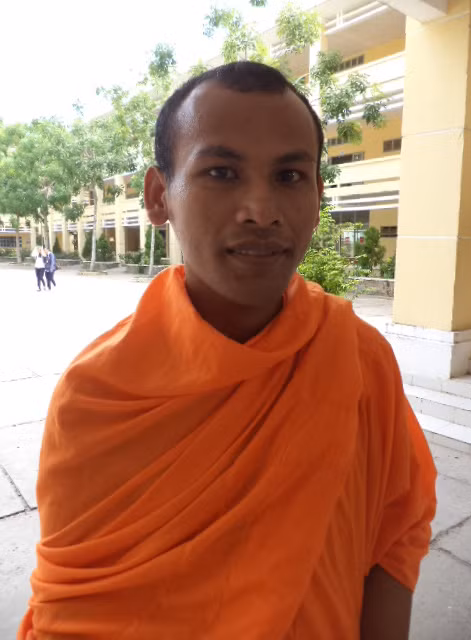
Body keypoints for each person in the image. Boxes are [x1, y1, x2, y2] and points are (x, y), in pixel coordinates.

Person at [19, 62, 436, 640]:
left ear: (318, 196)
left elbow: (395, 534)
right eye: (221, 172)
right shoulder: (99, 396)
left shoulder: (358, 358)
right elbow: (79, 609)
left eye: (289, 176)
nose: (261, 210)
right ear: (159, 197)